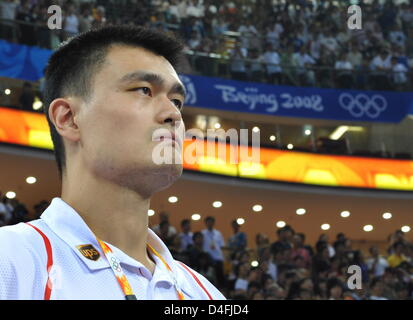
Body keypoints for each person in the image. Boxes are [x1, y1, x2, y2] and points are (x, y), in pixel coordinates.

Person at [0, 25, 225, 300]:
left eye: (176, 100)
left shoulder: (205, 294)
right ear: (68, 118)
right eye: (144, 90)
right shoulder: (12, 260)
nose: (173, 115)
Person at [201, 216, 226, 289]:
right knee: (210, 277)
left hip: (218, 257)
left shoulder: (218, 233)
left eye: (211, 222)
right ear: (205, 223)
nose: (210, 223)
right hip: (207, 258)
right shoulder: (203, 233)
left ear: (213, 223)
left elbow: (222, 246)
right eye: (208, 222)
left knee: (220, 276)